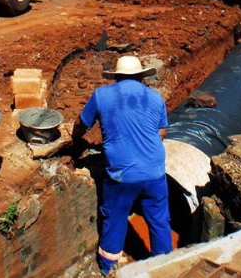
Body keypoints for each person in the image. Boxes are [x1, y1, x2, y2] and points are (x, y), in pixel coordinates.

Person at [72, 56, 172, 275]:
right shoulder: (156, 99)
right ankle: (166, 266)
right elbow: (161, 132)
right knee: (159, 220)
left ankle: (108, 267)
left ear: (116, 76)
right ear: (141, 76)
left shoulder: (102, 95)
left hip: (121, 176)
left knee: (115, 218)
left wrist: (74, 139)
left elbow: (82, 123)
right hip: (154, 172)